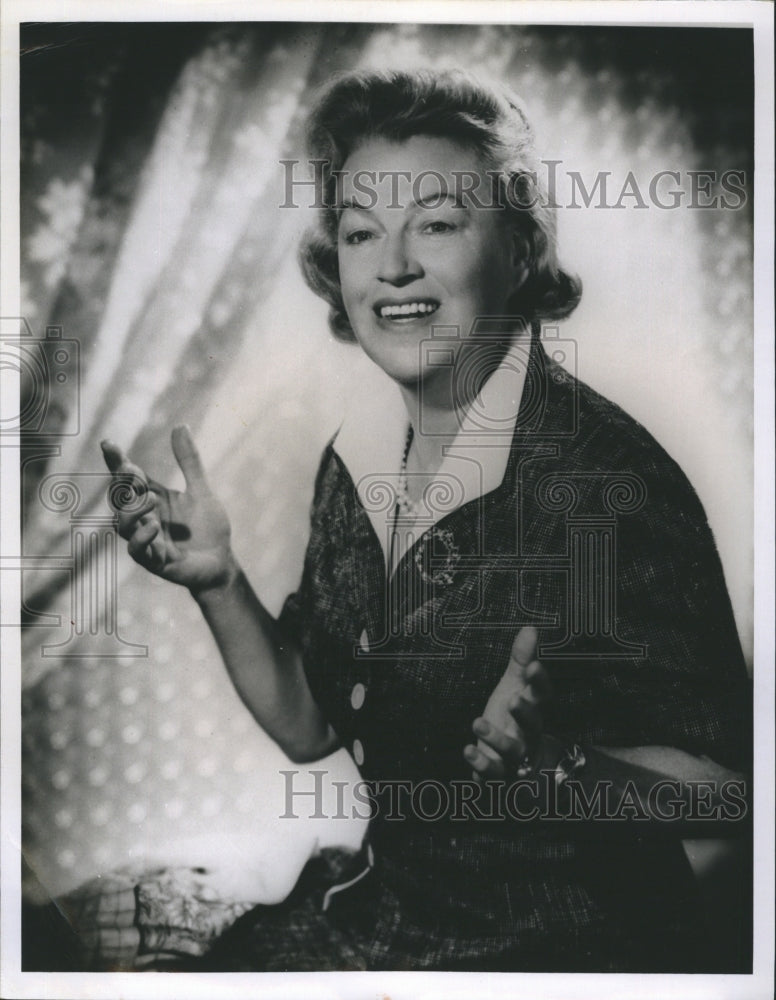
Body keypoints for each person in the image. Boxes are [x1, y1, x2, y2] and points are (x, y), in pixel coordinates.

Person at [101, 69, 751, 972]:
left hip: (562, 957)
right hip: (389, 925)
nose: (392, 266)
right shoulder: (358, 457)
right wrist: (218, 583)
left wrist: (561, 768)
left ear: (520, 250)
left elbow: (728, 794)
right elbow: (308, 725)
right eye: (361, 233)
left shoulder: (598, 481)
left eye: (437, 225)